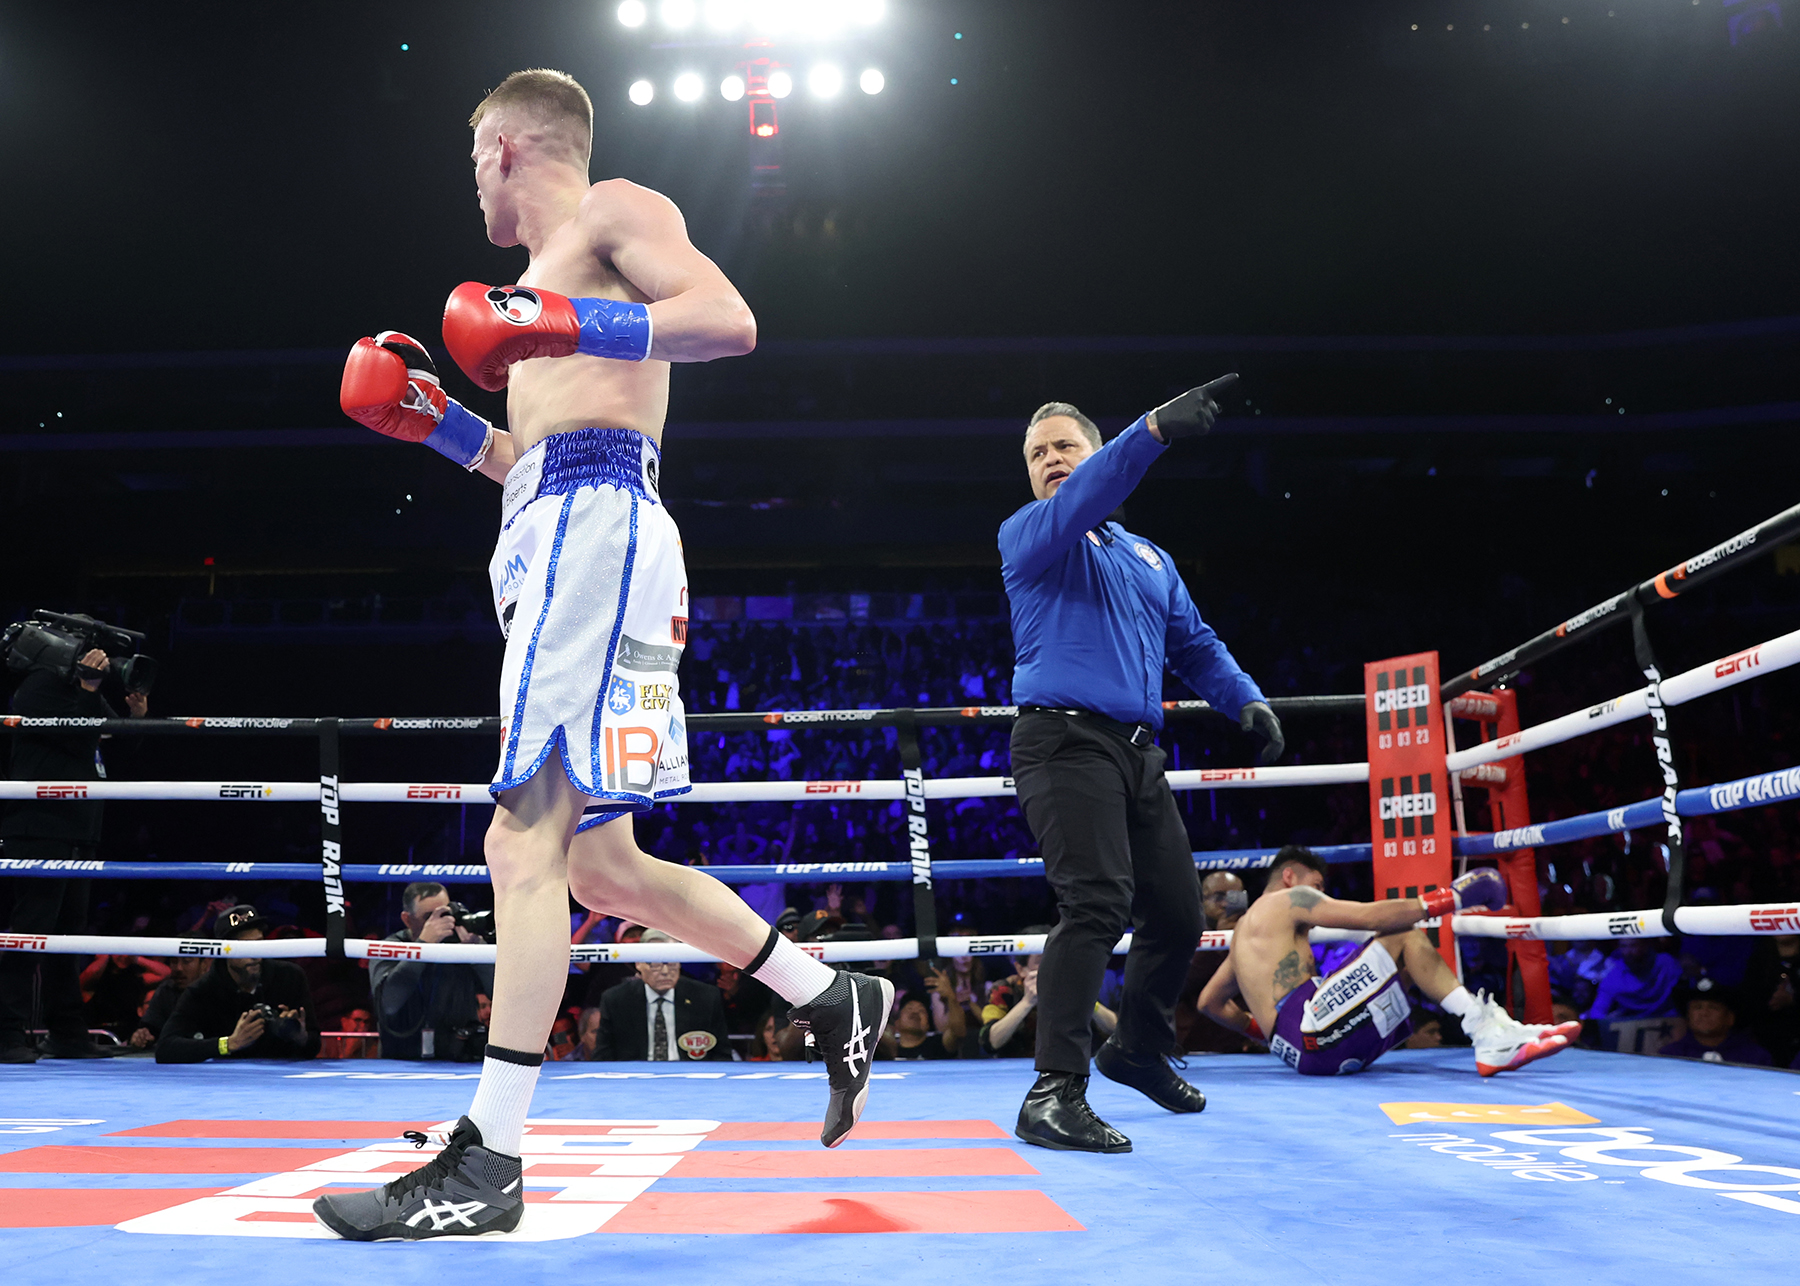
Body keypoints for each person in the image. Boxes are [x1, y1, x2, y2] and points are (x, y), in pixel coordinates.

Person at [317, 68, 892, 1241]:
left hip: (596, 529)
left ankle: (490, 1155)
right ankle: (831, 993)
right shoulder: (534, 286)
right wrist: (438, 423)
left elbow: (729, 319)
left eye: (474, 157)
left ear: (509, 148)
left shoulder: (613, 211)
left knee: (517, 838)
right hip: (562, 527)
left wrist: (567, 321)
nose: (471, 180)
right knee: (601, 868)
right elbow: (532, 448)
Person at [999, 387, 1285, 1152]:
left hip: (1136, 752)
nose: (1050, 460)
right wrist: (1153, 429)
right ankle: (1053, 1092)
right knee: (1095, 903)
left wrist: (1245, 699)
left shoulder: (1150, 557)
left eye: (1064, 446)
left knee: (1179, 913)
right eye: (1037, 454)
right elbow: (1089, 497)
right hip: (1062, 741)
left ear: (1094, 453)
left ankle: (1137, 1049)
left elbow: (1193, 644)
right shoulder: (1031, 533)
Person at [1198, 847, 1579, 1080]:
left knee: (1404, 971)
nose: (1319, 897)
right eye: (1316, 886)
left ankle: (1496, 1030)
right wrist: (1450, 899)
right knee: (1404, 936)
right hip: (1312, 1031)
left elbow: (1209, 1003)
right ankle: (1486, 1033)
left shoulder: (1244, 937)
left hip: (1304, 1052)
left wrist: (1269, 1035)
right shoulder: (1288, 899)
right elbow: (1370, 918)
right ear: (1289, 877)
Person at [0, 645, 148, 1062]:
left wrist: (137, 718)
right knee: (30, 934)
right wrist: (88, 688)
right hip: (40, 829)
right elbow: (79, 736)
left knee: (68, 938)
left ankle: (67, 1033)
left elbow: (108, 741)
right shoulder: (39, 686)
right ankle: (5, 1033)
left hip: (79, 831)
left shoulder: (82, 690)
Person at [155, 905, 320, 1063]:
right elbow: (165, 1048)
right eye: (244, 947)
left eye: (258, 943)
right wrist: (229, 1043)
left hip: (284, 1076)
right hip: (227, 1079)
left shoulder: (290, 976)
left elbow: (313, 1046)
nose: (254, 955)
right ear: (225, 951)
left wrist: (300, 1037)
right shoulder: (204, 990)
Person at [370, 882, 495, 1061]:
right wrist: (423, 946)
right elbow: (389, 1003)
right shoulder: (390, 947)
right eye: (429, 917)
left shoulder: (463, 946)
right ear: (407, 919)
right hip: (401, 1060)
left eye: (445, 914)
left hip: (459, 1059)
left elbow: (503, 996)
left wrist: (477, 953)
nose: (440, 923)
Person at [593, 929, 733, 1060]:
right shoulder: (616, 1000)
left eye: (671, 962)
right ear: (639, 964)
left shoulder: (705, 997)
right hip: (636, 1074)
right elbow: (603, 1057)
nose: (665, 971)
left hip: (690, 1074)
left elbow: (722, 1055)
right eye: (656, 964)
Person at [1175, 872, 1262, 1054]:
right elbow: (1179, 986)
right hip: (1193, 1043)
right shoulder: (1183, 930)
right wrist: (1218, 944)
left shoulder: (1258, 934)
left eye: (1233, 897)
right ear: (1202, 900)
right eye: (1219, 896)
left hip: (1244, 1045)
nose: (1225, 904)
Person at [1657, 978, 1772, 1066]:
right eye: (1697, 1007)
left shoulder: (1755, 1058)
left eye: (1713, 1007)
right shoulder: (1670, 1056)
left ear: (1730, 1018)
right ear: (1688, 1017)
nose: (1704, 1013)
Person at [886, 964, 969, 1060]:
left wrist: (951, 996)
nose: (915, 1012)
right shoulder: (886, 1050)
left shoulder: (938, 1045)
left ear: (927, 1025)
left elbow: (958, 1032)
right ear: (897, 1022)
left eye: (921, 1011)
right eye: (909, 1008)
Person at [1586, 939, 1684, 1021]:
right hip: (1632, 1024)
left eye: (1633, 945)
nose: (1628, 952)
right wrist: (1606, 1022)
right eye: (1624, 946)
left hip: (1670, 1020)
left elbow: (1685, 986)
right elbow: (1598, 1011)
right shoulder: (1614, 976)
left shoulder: (1666, 963)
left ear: (1645, 945)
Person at [130, 955, 209, 1050]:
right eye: (174, 962)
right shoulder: (165, 991)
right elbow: (151, 1028)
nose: (178, 968)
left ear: (204, 965)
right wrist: (143, 1035)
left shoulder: (218, 991)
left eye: (187, 961)